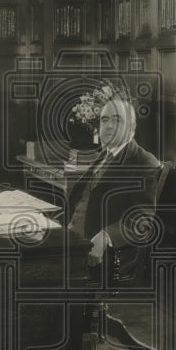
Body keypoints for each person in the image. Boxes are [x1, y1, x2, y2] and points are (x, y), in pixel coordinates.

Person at [65, 95, 161, 273]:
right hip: (72, 240)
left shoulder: (143, 162)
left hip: (105, 254)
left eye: (117, 120)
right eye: (104, 120)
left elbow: (142, 221)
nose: (108, 126)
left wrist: (106, 236)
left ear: (131, 127)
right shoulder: (104, 155)